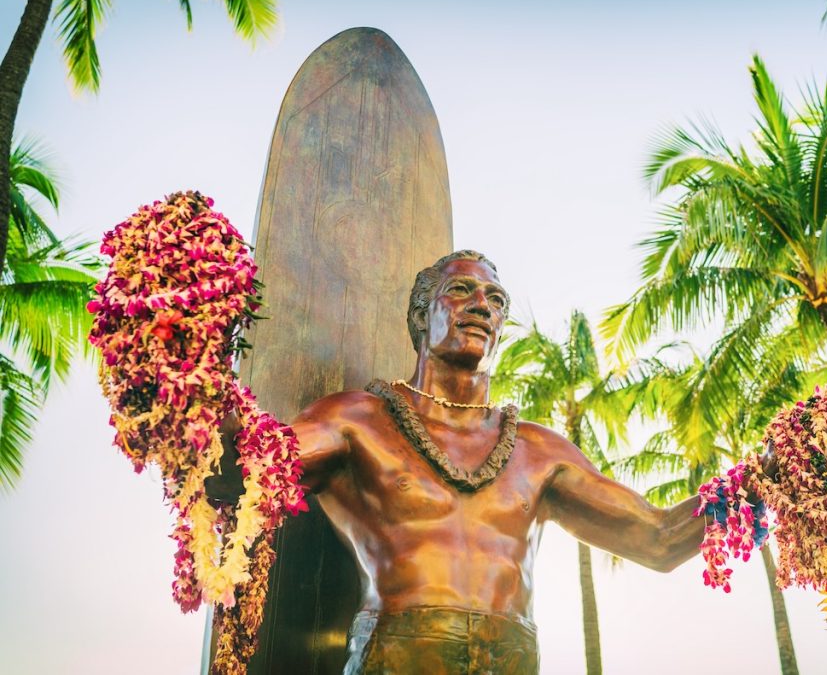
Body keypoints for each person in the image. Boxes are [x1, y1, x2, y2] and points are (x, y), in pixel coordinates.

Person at [213, 249, 767, 674]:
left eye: (496, 300)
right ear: (421, 313)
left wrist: (778, 472)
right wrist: (199, 357)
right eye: (461, 290)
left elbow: (660, 538)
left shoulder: (538, 450)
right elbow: (239, 474)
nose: (482, 306)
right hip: (395, 658)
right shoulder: (358, 420)